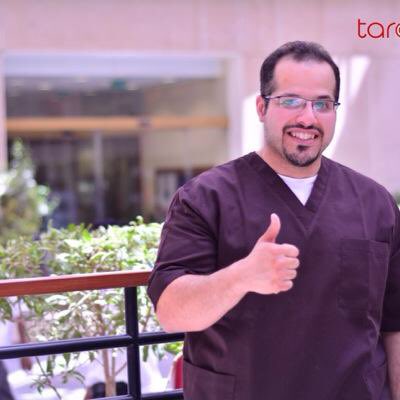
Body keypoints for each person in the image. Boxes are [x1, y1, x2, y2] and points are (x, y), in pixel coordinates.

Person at [147, 41, 400, 400]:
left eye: (322, 104)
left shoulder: (375, 203)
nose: (307, 118)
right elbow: (172, 312)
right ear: (262, 107)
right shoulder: (205, 198)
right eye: (291, 101)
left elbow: (394, 323)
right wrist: (242, 276)